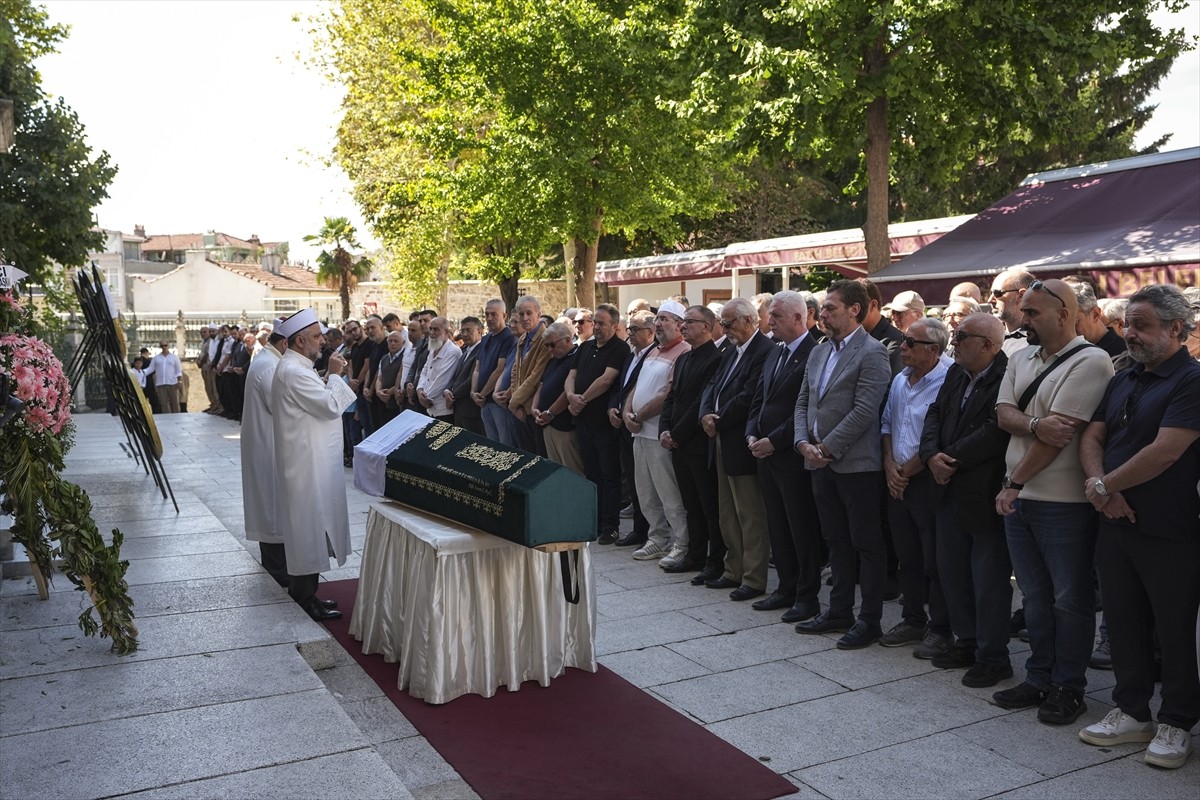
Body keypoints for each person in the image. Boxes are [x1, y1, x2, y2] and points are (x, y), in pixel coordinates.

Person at [1077, 284, 1200, 769]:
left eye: (1141, 325)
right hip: (1115, 520)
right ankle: (1131, 712)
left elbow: (1167, 450)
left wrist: (1105, 487)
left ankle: (1177, 721)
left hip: (1170, 528)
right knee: (1123, 620)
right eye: (1128, 323)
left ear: (1175, 328)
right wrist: (1100, 486)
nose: (1129, 333)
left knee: (1172, 629)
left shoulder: (1191, 380)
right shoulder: (1124, 376)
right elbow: (1094, 434)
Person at [991, 278, 1114, 724]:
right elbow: (1003, 414)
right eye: (1022, 310)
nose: (1022, 319)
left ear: (1064, 314)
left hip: (1061, 503)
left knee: (1070, 599)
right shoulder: (1021, 355)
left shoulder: (1092, 360)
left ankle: (1068, 687)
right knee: (1035, 597)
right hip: (1021, 496)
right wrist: (1036, 423)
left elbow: (1059, 438)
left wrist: (1015, 483)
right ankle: (1038, 677)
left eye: (1033, 312)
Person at [793, 280, 891, 649]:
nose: (823, 314)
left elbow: (866, 410)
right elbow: (803, 403)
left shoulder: (873, 352)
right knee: (835, 540)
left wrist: (827, 447)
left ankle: (870, 620)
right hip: (818, 461)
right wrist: (803, 442)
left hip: (856, 465)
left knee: (866, 542)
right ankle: (839, 610)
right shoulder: (819, 351)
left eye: (831, 307)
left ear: (855, 309)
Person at [920, 313, 1014, 688]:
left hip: (982, 490)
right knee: (952, 571)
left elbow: (997, 429)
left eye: (961, 337)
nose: (954, 343)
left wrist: (950, 459)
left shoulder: (1007, 374)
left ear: (988, 345)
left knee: (988, 578)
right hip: (946, 488)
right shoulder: (957, 373)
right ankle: (967, 640)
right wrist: (930, 455)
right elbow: (935, 413)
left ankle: (993, 656)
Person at [270, 308, 357, 621]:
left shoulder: (298, 367)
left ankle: (310, 595)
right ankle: (304, 599)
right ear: (299, 340)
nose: (322, 342)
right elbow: (331, 406)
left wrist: (326, 378)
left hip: (311, 461)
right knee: (308, 532)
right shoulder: (293, 370)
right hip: (306, 466)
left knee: (314, 531)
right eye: (317, 337)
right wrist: (334, 375)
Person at [878, 318, 953, 659]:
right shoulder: (900, 378)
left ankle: (940, 628)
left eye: (910, 342)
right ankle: (912, 619)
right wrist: (890, 466)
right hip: (898, 476)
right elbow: (887, 424)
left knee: (936, 558)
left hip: (926, 480)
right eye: (904, 341)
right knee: (906, 555)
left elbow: (941, 436)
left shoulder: (949, 378)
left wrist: (906, 471)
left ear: (934, 350)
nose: (902, 347)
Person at [745, 291, 821, 623]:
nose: (770, 320)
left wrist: (774, 441)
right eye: (769, 315)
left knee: (800, 528)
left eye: (776, 315)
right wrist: (751, 431)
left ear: (798, 318)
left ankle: (807, 596)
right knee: (777, 524)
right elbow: (759, 399)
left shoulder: (813, 353)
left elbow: (804, 409)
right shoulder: (775, 352)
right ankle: (785, 587)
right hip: (764, 453)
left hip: (790, 454)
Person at [700, 297, 774, 601]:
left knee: (750, 513)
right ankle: (733, 569)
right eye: (723, 323)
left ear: (748, 321)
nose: (725, 329)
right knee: (727, 510)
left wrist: (719, 419)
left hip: (739, 438)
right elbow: (712, 385)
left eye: (729, 323)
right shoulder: (730, 350)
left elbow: (749, 396)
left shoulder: (764, 351)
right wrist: (705, 413)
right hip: (719, 436)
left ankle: (754, 577)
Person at [623, 301, 691, 569]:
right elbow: (638, 386)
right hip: (639, 433)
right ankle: (658, 537)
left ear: (678, 324)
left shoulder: (682, 352)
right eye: (657, 319)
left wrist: (638, 417)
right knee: (646, 492)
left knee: (669, 493)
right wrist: (628, 411)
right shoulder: (653, 352)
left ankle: (681, 543)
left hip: (657, 434)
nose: (658, 324)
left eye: (664, 319)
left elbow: (667, 394)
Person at [660, 305, 724, 583]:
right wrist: (664, 428)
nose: (683, 326)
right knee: (690, 503)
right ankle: (695, 554)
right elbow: (671, 397)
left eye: (689, 322)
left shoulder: (715, 358)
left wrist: (678, 433)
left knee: (708, 504)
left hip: (697, 442)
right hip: (678, 441)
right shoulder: (684, 358)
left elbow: (702, 401)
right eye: (683, 322)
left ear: (706, 327)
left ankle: (715, 559)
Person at [565, 304, 627, 544]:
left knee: (609, 474)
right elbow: (570, 375)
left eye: (602, 323)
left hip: (603, 423)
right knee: (591, 473)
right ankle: (595, 520)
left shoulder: (619, 349)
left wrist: (581, 400)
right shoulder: (586, 346)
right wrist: (571, 396)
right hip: (582, 421)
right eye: (596, 323)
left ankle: (610, 525)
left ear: (614, 325)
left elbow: (606, 380)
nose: (598, 327)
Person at [241, 320, 290, 587]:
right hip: (269, 447)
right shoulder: (270, 366)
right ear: (285, 344)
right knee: (272, 510)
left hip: (265, 445)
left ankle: (277, 568)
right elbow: (281, 406)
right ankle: (278, 573)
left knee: (270, 507)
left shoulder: (265, 360)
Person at [533, 322, 583, 474]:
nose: (549, 349)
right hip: (546, 423)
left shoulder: (577, 357)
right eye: (546, 345)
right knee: (555, 471)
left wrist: (550, 412)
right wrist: (534, 408)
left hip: (563, 424)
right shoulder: (553, 359)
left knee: (572, 470)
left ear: (567, 340)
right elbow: (542, 385)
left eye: (552, 345)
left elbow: (568, 392)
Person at [416, 316, 463, 423]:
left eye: (436, 329)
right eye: (431, 329)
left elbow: (442, 380)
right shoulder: (433, 349)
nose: (432, 332)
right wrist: (419, 390)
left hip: (444, 409)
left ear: (446, 331)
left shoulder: (452, 352)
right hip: (430, 408)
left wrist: (425, 397)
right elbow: (424, 371)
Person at [447, 316, 485, 435]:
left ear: (480, 331)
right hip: (459, 409)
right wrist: (447, 390)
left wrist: (453, 395)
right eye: (462, 331)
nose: (464, 334)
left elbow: (471, 381)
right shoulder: (465, 351)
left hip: (471, 410)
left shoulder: (481, 351)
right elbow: (456, 376)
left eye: (469, 330)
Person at [989, 267, 1037, 356]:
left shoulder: (1038, 340)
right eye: (990, 293)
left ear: (1021, 295)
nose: (990, 300)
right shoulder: (989, 336)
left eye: (997, 293)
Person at [146, 341, 183, 414]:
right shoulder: (156, 358)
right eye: (162, 346)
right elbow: (150, 369)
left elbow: (178, 370)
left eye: (165, 345)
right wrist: (140, 372)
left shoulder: (174, 357)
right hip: (161, 383)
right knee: (163, 403)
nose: (164, 347)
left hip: (172, 382)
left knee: (174, 402)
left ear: (168, 346)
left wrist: (179, 381)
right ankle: (167, 417)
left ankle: (177, 416)